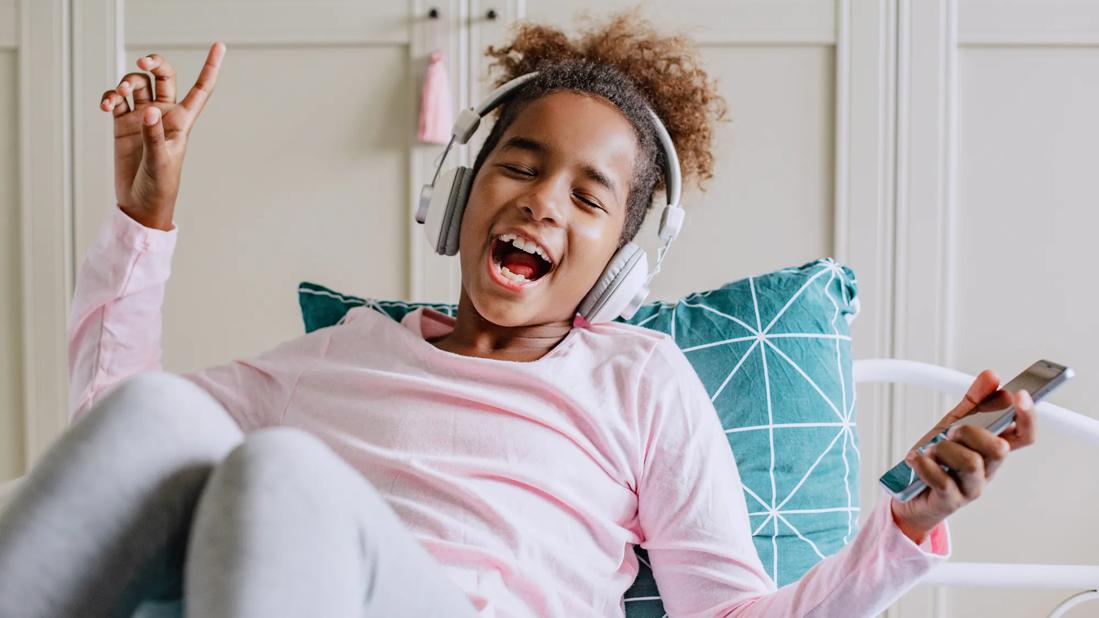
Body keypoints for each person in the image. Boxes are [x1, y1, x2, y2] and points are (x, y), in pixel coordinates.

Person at [0, 11, 1036, 618]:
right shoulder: (339, 358)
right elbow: (115, 443)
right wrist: (147, 213)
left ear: (622, 260)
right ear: (464, 190)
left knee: (277, 468)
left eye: (588, 198)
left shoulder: (639, 380)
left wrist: (903, 527)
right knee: (164, 421)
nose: (543, 201)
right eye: (521, 167)